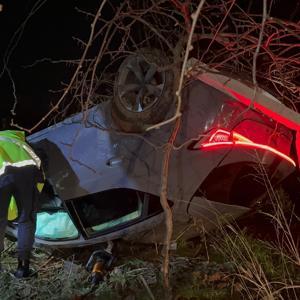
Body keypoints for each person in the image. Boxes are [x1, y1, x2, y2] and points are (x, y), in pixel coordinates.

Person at [0, 129, 43, 278]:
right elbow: (38, 167)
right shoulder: (19, 141)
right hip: (24, 175)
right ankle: (23, 269)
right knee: (26, 220)